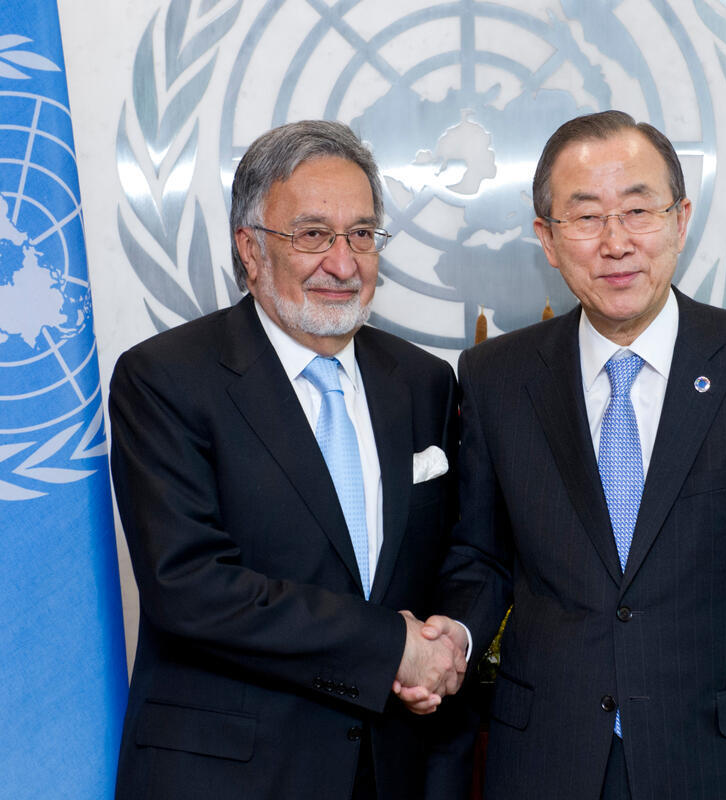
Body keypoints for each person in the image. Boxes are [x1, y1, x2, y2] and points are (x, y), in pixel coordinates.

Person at [410, 111, 726, 799]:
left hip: (721, 766)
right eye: (586, 217)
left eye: (639, 211)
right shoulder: (498, 378)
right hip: (546, 763)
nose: (616, 243)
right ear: (547, 239)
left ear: (681, 220)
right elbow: (481, 556)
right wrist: (456, 637)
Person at [109, 120, 471, 800]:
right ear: (250, 249)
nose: (343, 263)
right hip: (229, 777)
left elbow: (457, 552)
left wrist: (451, 640)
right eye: (312, 235)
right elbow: (188, 586)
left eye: (360, 234)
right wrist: (390, 648)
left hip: (394, 769)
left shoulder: (424, 382)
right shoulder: (165, 378)